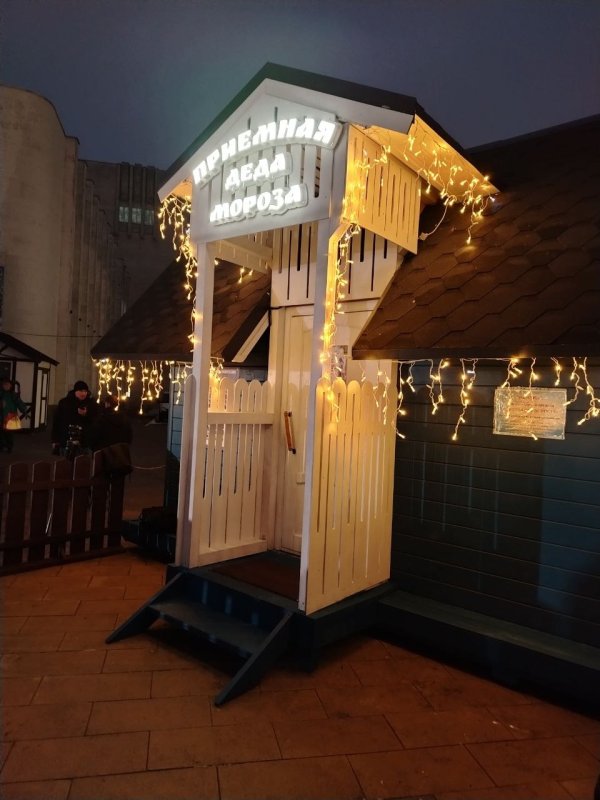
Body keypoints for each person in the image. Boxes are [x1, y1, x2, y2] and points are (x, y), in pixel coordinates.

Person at [51, 380, 99, 456]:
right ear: (75, 391)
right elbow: (57, 421)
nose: (83, 393)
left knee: (84, 460)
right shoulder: (65, 403)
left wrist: (86, 414)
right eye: (81, 391)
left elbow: (95, 420)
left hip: (85, 441)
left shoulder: (91, 403)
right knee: (66, 461)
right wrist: (55, 440)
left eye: (85, 391)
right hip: (67, 439)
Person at [0, 378, 28, 453]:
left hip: (10, 418)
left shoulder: (13, 395)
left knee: (9, 433)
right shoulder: (1, 394)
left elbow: (19, 403)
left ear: (10, 385)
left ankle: (9, 447)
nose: (6, 386)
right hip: (1, 417)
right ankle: (2, 446)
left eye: (7, 384)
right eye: (4, 384)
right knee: (1, 433)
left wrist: (24, 410)